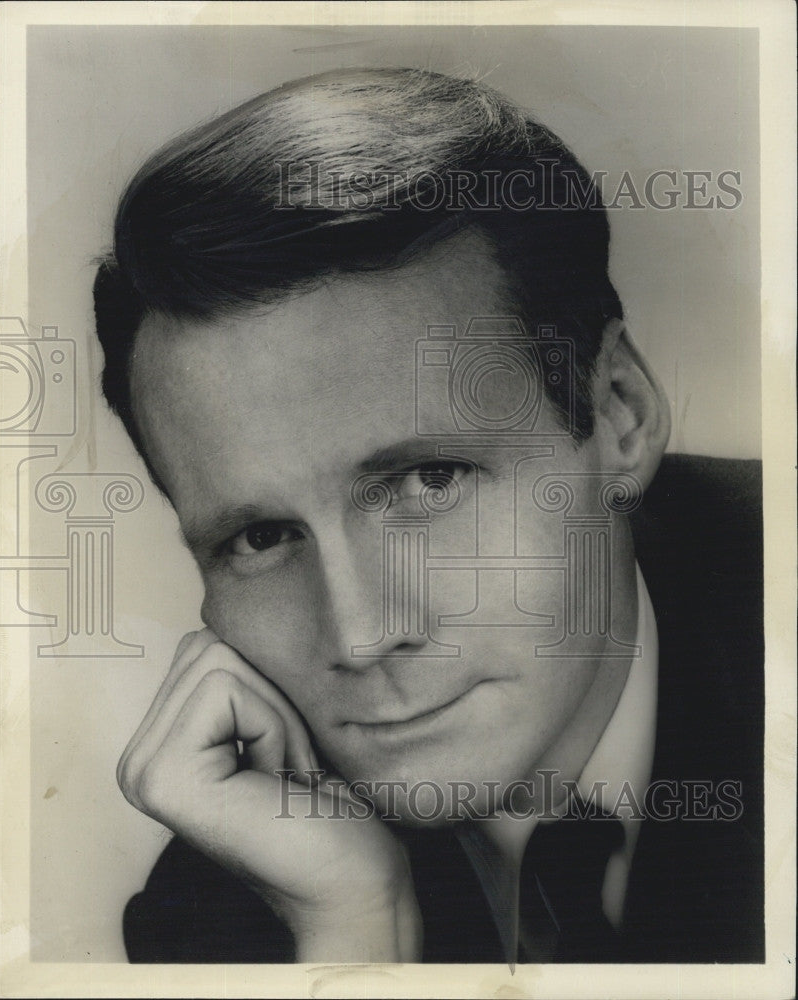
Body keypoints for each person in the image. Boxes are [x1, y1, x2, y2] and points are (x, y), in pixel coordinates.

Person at [93, 67, 764, 964]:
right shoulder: (234, 906)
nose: (362, 635)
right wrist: (355, 934)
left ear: (618, 414)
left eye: (429, 483)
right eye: (261, 538)